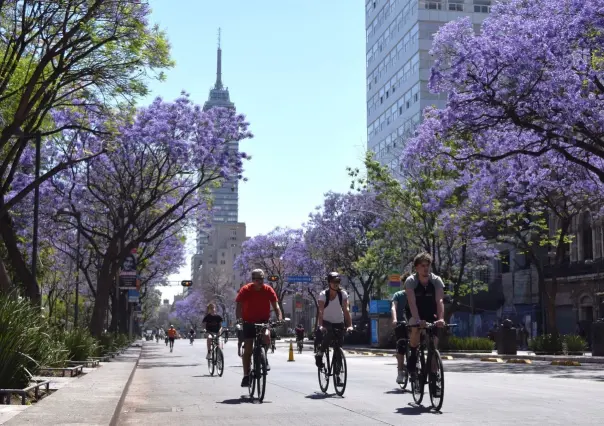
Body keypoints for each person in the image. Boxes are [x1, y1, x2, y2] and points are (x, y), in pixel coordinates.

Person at [405, 252, 445, 395]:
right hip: (415, 313)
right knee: (415, 329)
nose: (426, 269)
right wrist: (417, 320)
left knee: (434, 345)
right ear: (416, 268)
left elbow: (439, 301)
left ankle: (434, 380)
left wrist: (440, 318)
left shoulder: (436, 281)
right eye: (422, 266)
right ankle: (414, 353)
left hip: (431, 313)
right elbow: (411, 302)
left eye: (428, 266)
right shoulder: (411, 281)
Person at [236, 269, 282, 387]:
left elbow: (276, 305)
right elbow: (239, 306)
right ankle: (246, 375)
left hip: (263, 321)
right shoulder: (245, 290)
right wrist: (239, 320)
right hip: (248, 322)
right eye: (257, 279)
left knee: (266, 336)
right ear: (253, 280)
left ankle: (263, 356)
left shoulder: (268, 290)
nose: (260, 281)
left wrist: (279, 318)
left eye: (261, 279)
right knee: (248, 349)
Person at [315, 272, 353, 368]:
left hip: (339, 322)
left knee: (338, 347)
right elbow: (320, 311)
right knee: (329, 334)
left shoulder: (342, 294)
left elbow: (346, 310)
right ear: (329, 283)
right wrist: (320, 326)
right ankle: (320, 353)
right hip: (326, 321)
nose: (336, 284)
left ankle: (338, 372)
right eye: (333, 281)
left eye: (338, 281)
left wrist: (350, 325)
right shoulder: (323, 295)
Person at [391, 272, 411, 384]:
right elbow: (393, 307)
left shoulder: (417, 294)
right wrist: (394, 320)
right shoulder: (398, 295)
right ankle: (400, 371)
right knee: (401, 346)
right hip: (401, 323)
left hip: (414, 323)